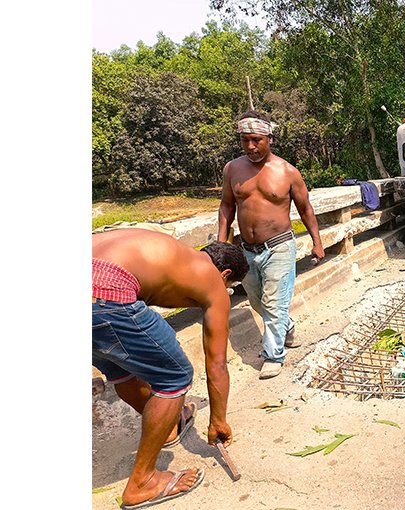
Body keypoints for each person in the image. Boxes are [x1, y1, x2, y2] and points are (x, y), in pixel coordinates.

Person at [92, 229, 249, 509]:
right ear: (224, 274)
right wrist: (218, 420)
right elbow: (216, 363)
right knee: (175, 377)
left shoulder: (171, 251)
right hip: (106, 294)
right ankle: (143, 482)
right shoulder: (212, 279)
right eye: (231, 286)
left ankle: (167, 428)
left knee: (120, 366)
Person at [218, 110, 326, 379]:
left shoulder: (287, 172)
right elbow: (227, 205)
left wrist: (317, 242)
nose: (251, 146)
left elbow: (306, 209)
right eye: (245, 141)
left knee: (274, 303)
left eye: (256, 140)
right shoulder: (232, 169)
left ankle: (273, 355)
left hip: (279, 246)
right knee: (257, 301)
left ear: (270, 138)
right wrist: (221, 245)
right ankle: (287, 327)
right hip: (247, 250)